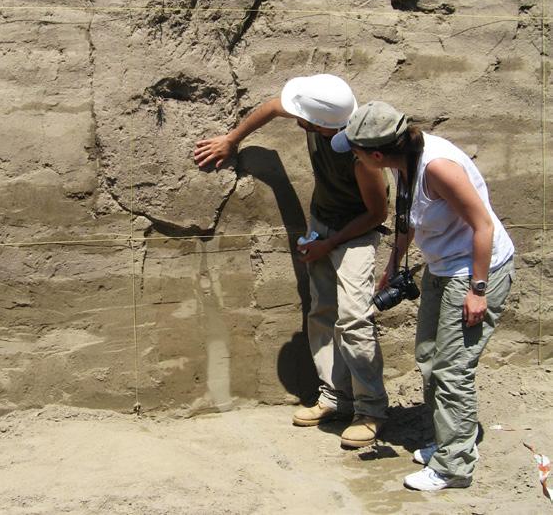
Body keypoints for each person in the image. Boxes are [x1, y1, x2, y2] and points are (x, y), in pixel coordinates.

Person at [194, 74, 389, 448]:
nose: (296, 119)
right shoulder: (323, 114)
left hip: (357, 232)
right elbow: (271, 107)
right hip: (323, 221)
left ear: (322, 124)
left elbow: (377, 213)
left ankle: (371, 411)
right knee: (321, 311)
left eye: (304, 118)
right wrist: (231, 140)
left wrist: (329, 243)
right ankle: (335, 397)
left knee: (353, 319)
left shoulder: (362, 155)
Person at [331, 101, 515, 490]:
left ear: (376, 154)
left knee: (452, 369)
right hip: (443, 266)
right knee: (430, 355)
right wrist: (393, 265)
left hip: (475, 271)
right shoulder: (405, 162)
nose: (356, 160)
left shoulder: (437, 167)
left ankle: (454, 466)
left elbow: (482, 225)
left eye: (358, 153)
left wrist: (477, 291)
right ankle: (451, 441)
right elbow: (406, 220)